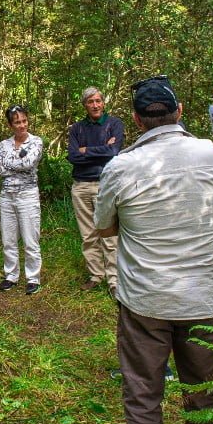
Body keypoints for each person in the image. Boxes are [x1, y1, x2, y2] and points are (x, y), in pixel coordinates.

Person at [94, 75, 213, 424]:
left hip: (146, 299)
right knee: (204, 392)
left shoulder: (121, 167)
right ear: (181, 110)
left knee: (143, 393)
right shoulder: (212, 153)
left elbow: (105, 227)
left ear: (134, 119)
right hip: (204, 297)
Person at [67, 87, 125, 291]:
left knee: (109, 233)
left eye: (98, 101)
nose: (95, 105)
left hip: (105, 184)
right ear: (85, 105)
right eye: (90, 102)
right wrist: (102, 149)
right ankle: (95, 275)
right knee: (88, 234)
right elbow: (73, 156)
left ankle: (115, 280)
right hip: (81, 185)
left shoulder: (114, 124)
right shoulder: (77, 129)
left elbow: (114, 151)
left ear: (103, 103)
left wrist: (86, 150)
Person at [0, 105, 44, 295]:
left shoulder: (36, 142)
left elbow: (30, 163)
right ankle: (11, 276)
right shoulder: (3, 145)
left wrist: (9, 163)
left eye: (24, 121)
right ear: (10, 125)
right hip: (7, 196)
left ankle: (33, 278)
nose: (22, 125)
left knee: (31, 239)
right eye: (17, 122)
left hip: (27, 196)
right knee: (9, 239)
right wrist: (18, 164)